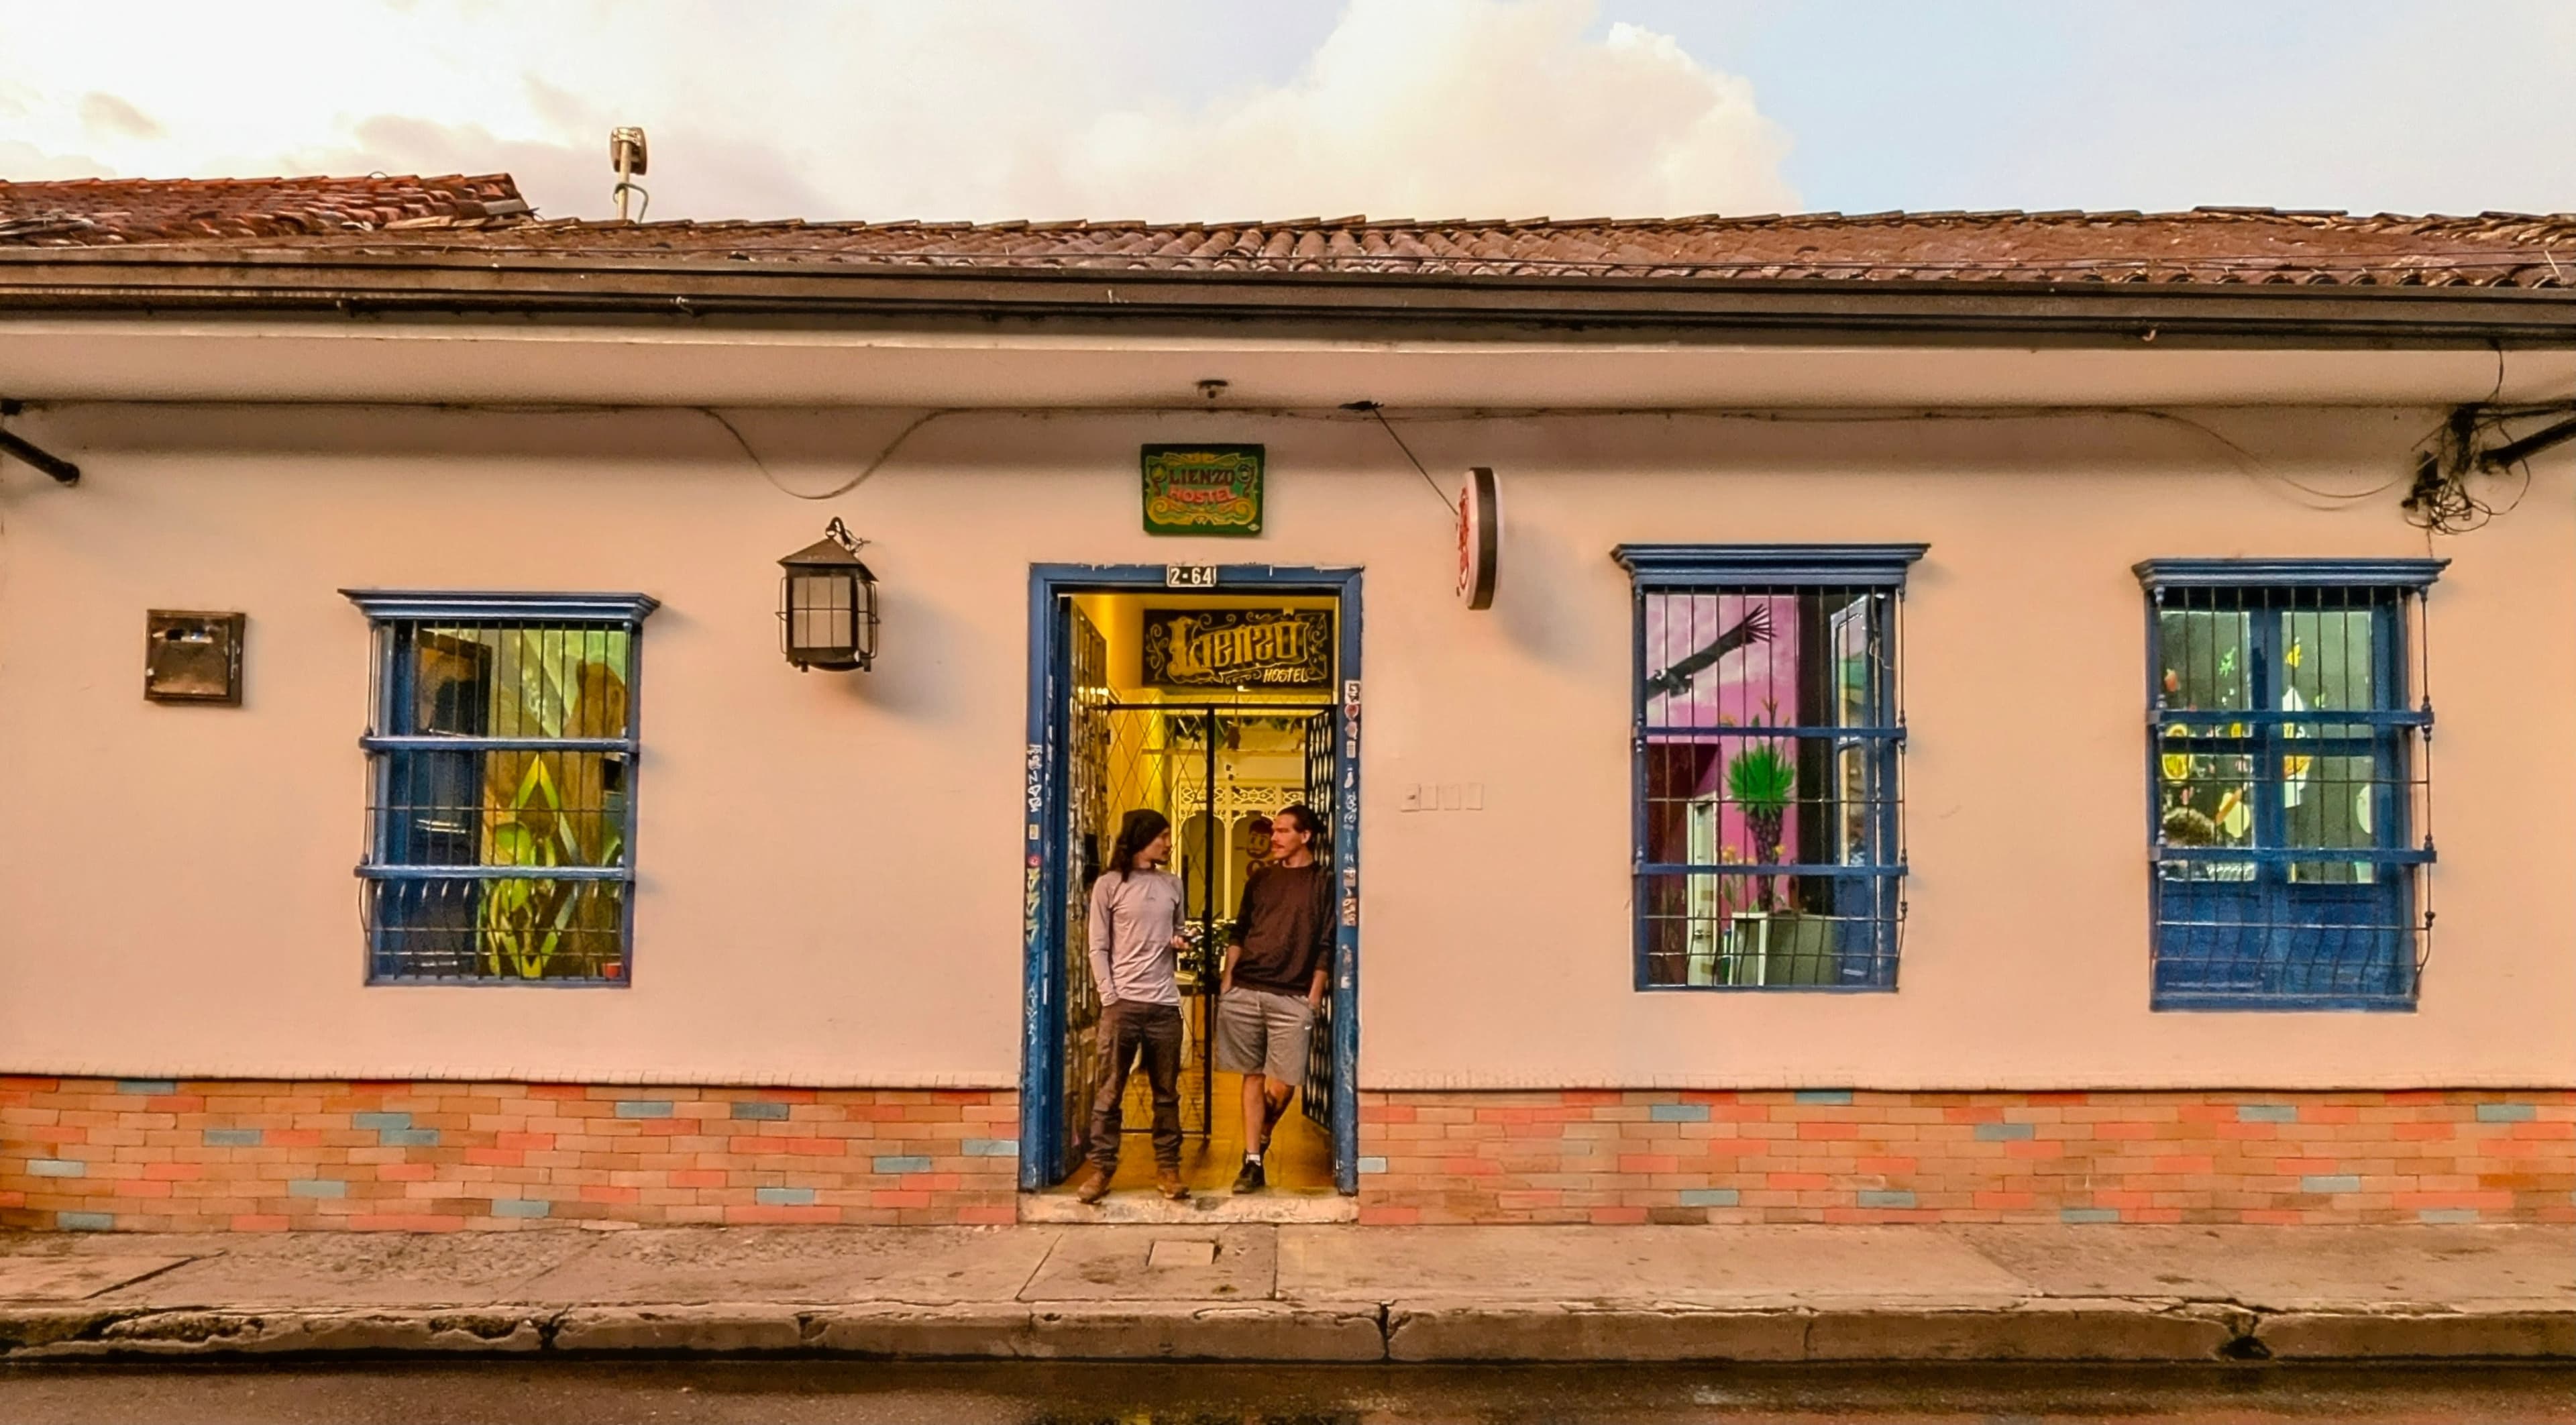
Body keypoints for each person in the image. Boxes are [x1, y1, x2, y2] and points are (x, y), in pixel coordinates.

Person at [1072, 808, 1191, 1204]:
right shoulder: (1109, 885)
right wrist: (1110, 995)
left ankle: (1168, 1169)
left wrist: (1180, 941)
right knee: (1110, 1091)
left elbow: (1179, 929)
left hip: (1164, 1005)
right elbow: (1098, 946)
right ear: (1141, 838)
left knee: (1167, 1094)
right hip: (1123, 1005)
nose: (1168, 844)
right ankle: (1102, 1169)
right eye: (1162, 837)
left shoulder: (1172, 884)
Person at [1216, 803, 1333, 1194]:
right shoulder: (1261, 879)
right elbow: (1240, 930)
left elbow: (1327, 943)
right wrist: (1228, 981)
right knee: (1252, 1075)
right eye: (1274, 831)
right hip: (1246, 987)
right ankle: (1252, 1161)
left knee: (1284, 1083)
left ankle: (1263, 1132)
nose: (1275, 838)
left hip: (1294, 995)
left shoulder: (1324, 883)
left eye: (1284, 831)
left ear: (1306, 836)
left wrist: (1313, 996)